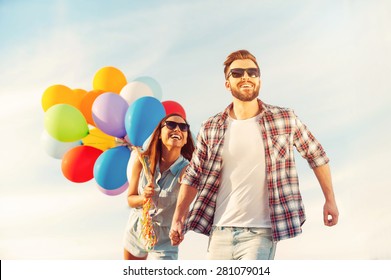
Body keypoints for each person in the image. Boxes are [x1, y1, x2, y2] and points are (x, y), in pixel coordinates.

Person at [170, 49, 339, 260]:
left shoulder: (284, 118)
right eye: (238, 73)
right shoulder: (210, 127)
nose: (246, 77)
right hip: (220, 230)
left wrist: (329, 200)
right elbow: (193, 175)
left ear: (259, 78)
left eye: (252, 72)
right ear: (227, 83)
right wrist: (178, 217)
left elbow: (316, 155)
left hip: (261, 233)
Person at [123, 113, 195, 260]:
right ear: (160, 134)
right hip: (137, 228)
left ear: (186, 138)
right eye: (171, 125)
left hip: (165, 238)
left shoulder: (187, 170)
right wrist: (144, 198)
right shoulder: (141, 161)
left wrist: (180, 222)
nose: (177, 129)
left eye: (183, 127)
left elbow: (186, 201)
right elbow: (130, 200)